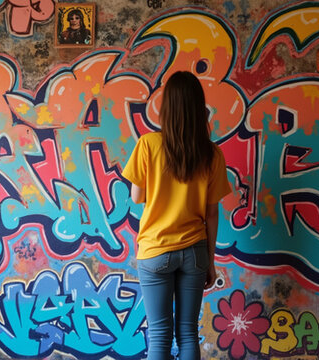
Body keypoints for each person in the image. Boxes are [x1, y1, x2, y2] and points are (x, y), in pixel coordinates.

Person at [122, 71, 232, 360]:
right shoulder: (212, 154)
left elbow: (136, 197)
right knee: (187, 334)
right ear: (199, 108)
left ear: (166, 107)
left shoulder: (148, 144)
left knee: (159, 336)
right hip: (195, 252)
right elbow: (211, 213)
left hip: (155, 250)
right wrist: (210, 260)